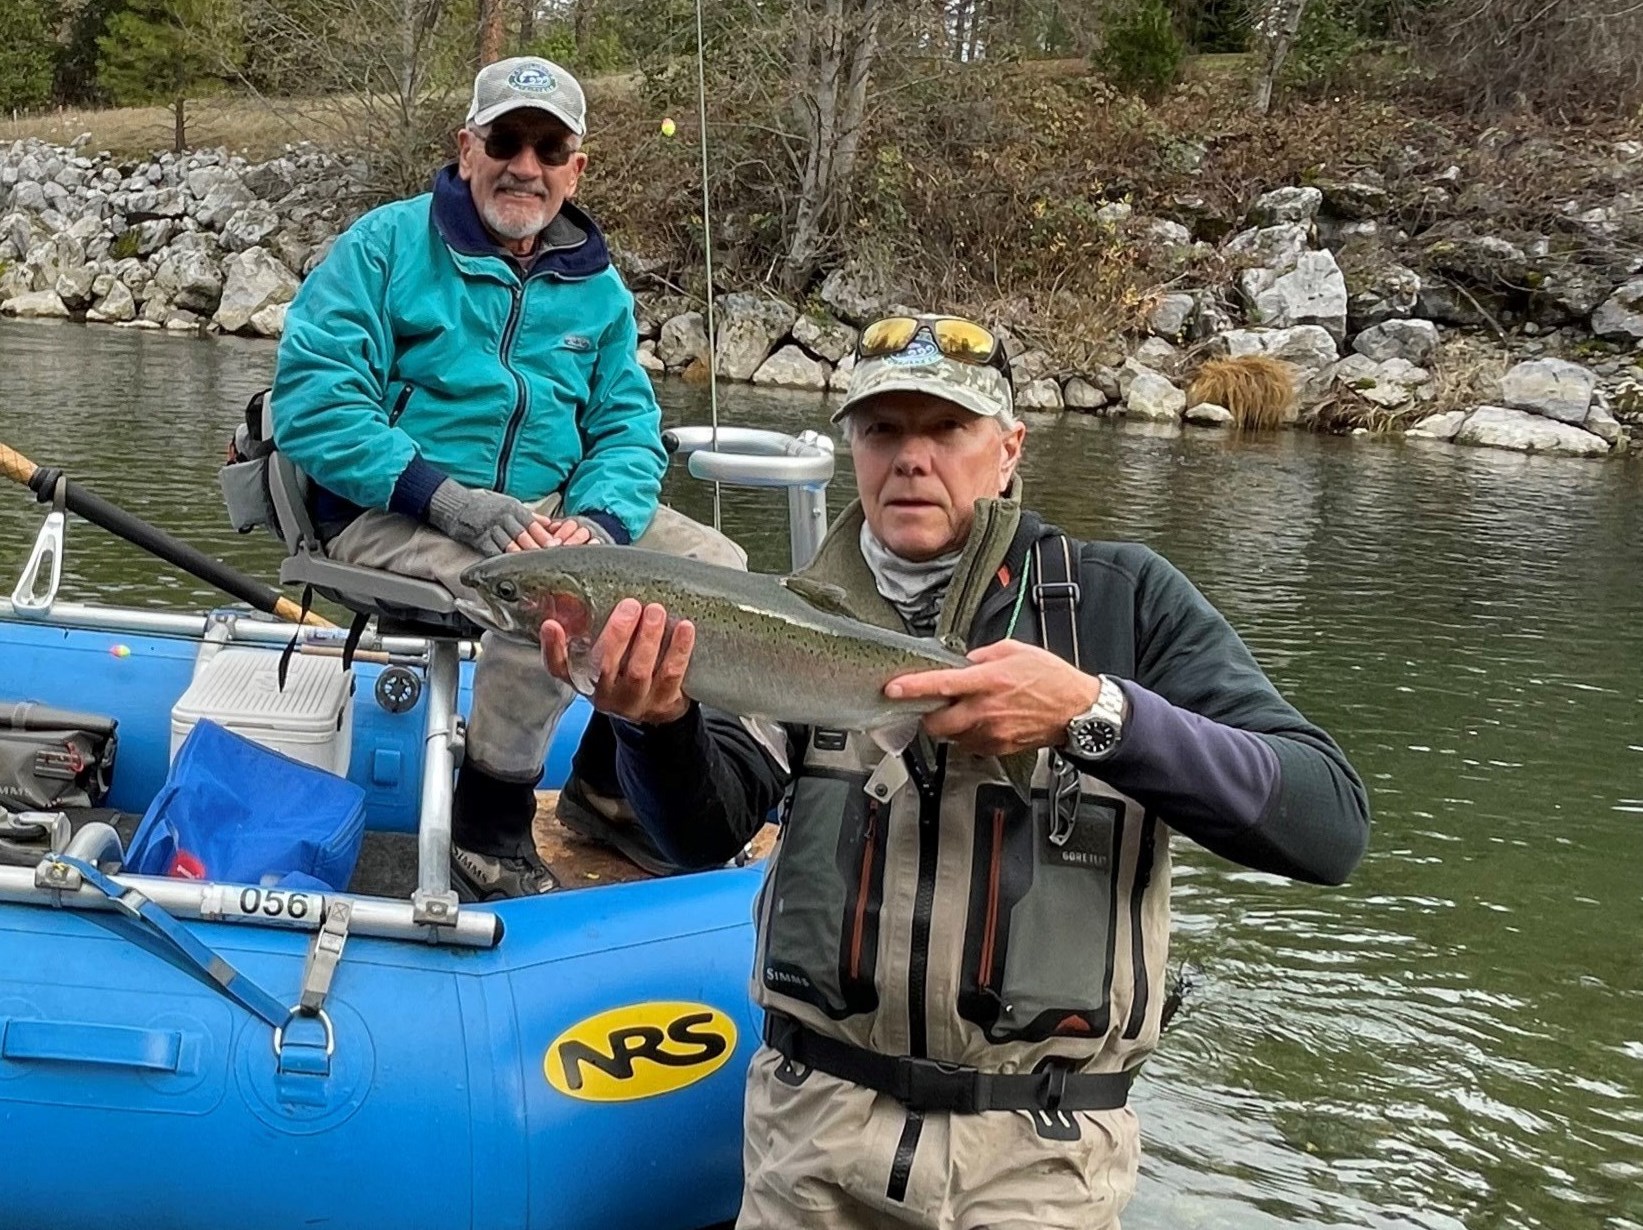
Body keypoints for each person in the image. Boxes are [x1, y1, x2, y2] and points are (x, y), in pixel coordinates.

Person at [539, 313, 1372, 1228]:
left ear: (1007, 450)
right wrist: (654, 728)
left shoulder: (1124, 603)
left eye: (946, 430)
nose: (910, 458)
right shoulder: (781, 617)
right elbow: (701, 835)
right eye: (884, 430)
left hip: (1037, 1161)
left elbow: (1326, 826)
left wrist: (1094, 715)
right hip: (804, 1137)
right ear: (853, 448)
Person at [270, 55, 739, 901]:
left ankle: (607, 788)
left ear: (575, 167)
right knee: (555, 601)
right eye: (506, 140)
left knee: (718, 567)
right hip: (390, 508)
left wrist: (599, 522)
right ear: (465, 148)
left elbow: (628, 432)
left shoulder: (598, 289)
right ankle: (487, 824)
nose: (525, 165)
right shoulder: (383, 246)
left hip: (553, 510)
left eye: (549, 147)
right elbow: (312, 406)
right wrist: (449, 500)